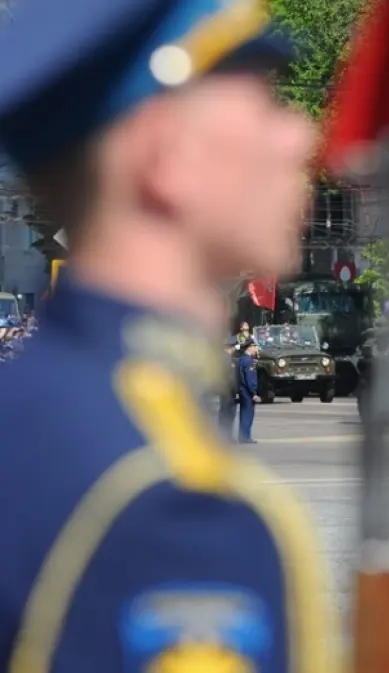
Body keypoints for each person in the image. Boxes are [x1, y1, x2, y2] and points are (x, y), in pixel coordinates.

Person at [0, 0, 340, 669]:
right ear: (167, 156)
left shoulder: (31, 411)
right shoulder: (170, 507)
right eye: (265, 102)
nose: (300, 137)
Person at [237, 339, 261, 443]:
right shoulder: (248, 361)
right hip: (247, 391)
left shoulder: (241, 359)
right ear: (250, 347)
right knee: (248, 414)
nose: (256, 349)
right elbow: (249, 378)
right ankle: (245, 437)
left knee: (243, 414)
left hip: (242, 389)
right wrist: (254, 392)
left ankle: (242, 436)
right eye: (255, 347)